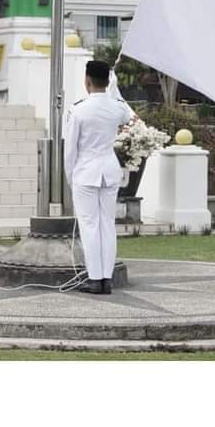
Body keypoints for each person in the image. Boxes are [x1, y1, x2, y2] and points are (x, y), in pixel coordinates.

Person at [63, 59, 135, 295]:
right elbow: (128, 114)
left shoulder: (78, 109)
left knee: (90, 226)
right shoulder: (116, 107)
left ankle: (95, 279)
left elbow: (70, 150)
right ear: (107, 81)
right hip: (109, 171)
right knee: (107, 225)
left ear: (87, 81)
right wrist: (114, 90)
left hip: (85, 172)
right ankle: (106, 278)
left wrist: (69, 177)